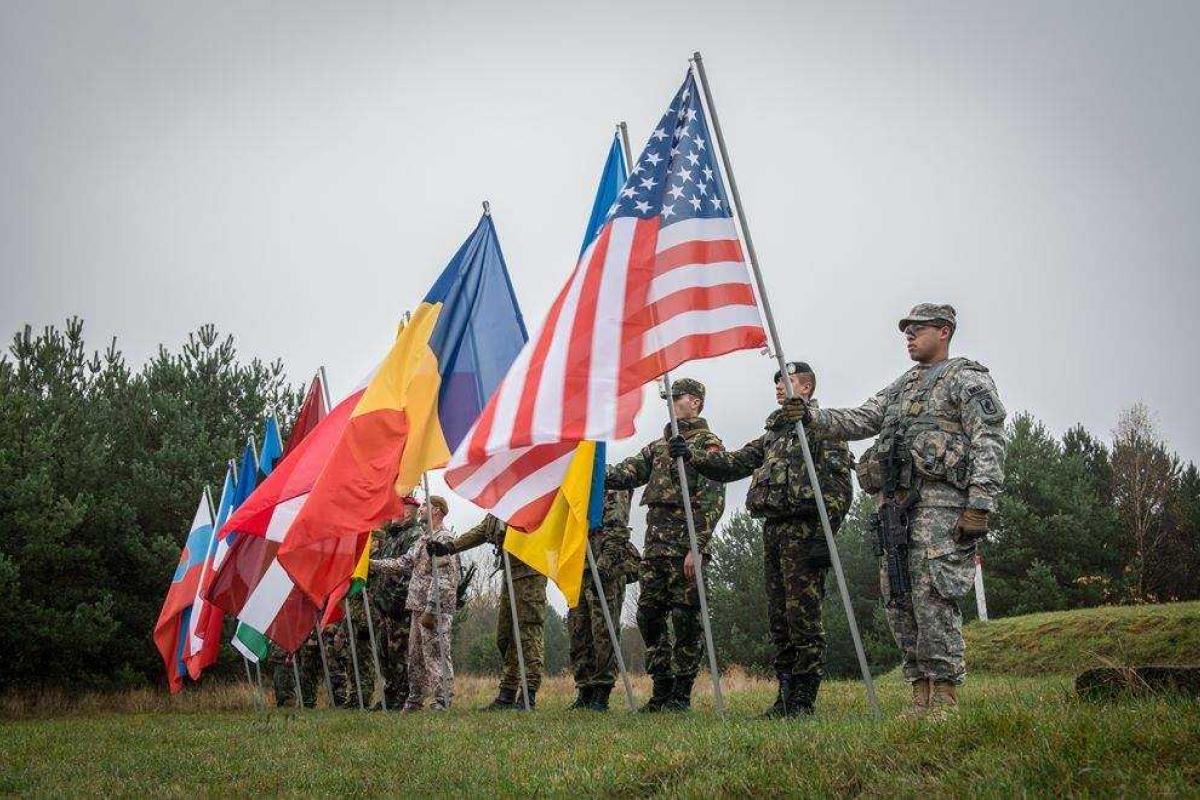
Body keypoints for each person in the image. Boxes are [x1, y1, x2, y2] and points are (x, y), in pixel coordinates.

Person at [794, 304, 1006, 718]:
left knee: (933, 597)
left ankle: (944, 696)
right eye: (905, 330)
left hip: (941, 508)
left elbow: (989, 441)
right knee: (899, 600)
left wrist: (980, 504)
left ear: (944, 332)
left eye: (917, 329)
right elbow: (861, 418)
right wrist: (811, 416)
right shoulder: (902, 387)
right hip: (896, 510)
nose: (908, 336)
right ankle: (919, 694)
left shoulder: (966, 379)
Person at [672, 362, 852, 717]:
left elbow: (838, 488)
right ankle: (784, 697)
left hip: (805, 531)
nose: (779, 389)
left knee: (804, 617)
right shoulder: (773, 434)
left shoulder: (822, 429)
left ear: (807, 387)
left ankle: (803, 699)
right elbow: (734, 463)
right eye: (776, 384)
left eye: (786, 382)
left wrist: (824, 536)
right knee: (780, 618)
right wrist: (692, 457)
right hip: (774, 531)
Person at [605, 377, 726, 712]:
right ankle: (662, 688)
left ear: (697, 402)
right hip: (656, 549)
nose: (672, 402)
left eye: (678, 396)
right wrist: (591, 467)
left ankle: (681, 695)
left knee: (687, 619)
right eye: (669, 398)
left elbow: (713, 500)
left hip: (684, 549)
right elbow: (626, 473)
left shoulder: (708, 444)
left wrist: (698, 547)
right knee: (649, 616)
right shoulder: (659, 447)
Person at [429, 514, 548, 710]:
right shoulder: (501, 504)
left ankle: (528, 694)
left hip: (531, 571)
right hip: (510, 572)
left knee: (527, 634)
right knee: (506, 636)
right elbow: (482, 531)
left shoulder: (527, 492)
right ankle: (507, 693)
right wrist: (450, 548)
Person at [370, 495, 459, 711]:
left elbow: (446, 579)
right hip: (417, 607)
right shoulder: (423, 540)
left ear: (437, 510)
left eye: (425, 507)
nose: (420, 510)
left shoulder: (444, 539)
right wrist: (372, 564)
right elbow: (403, 562)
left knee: (436, 654)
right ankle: (415, 699)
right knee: (416, 656)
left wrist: (431, 609)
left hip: (435, 610)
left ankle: (442, 699)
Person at [567, 489, 638, 712]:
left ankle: (602, 691)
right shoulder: (577, 489)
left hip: (605, 572)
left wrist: (604, 565)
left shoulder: (611, 490)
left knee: (603, 631)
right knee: (578, 630)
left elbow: (618, 532)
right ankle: (584, 689)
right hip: (580, 569)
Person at [361, 495, 422, 710]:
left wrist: (395, 602)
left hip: (399, 606)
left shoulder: (414, 535)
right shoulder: (392, 538)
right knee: (384, 652)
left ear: (409, 512)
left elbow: (408, 570)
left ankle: (404, 695)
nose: (394, 515)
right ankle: (390, 693)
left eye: (400, 510)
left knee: (400, 653)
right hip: (384, 606)